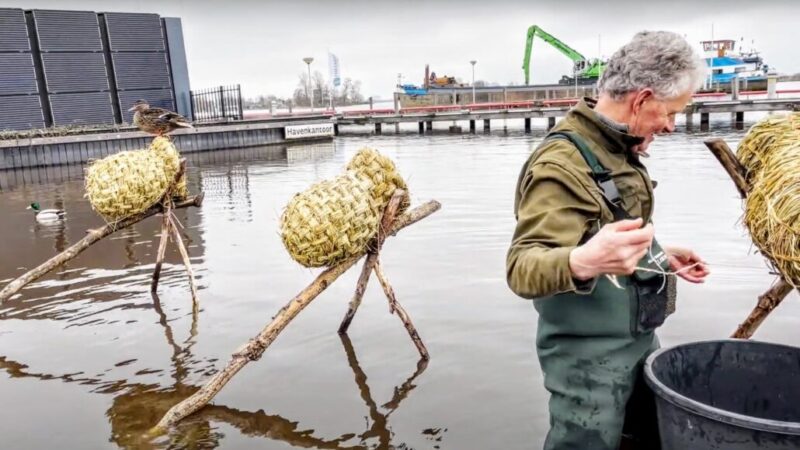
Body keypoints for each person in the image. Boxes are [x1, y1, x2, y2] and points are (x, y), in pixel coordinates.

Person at [506, 31, 711, 450]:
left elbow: (600, 226)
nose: (672, 125)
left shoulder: (616, 145)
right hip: (589, 365)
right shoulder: (561, 165)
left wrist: (657, 255)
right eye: (670, 112)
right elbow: (522, 266)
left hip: (636, 344)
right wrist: (584, 261)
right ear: (641, 99)